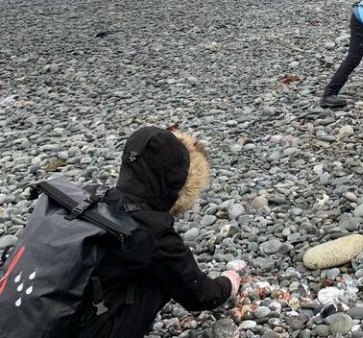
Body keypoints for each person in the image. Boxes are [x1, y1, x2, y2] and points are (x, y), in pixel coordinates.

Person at [75, 126, 241, 337]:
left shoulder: (92, 198)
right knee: (161, 276)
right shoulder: (154, 231)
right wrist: (228, 283)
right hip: (86, 330)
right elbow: (200, 294)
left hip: (41, 316)